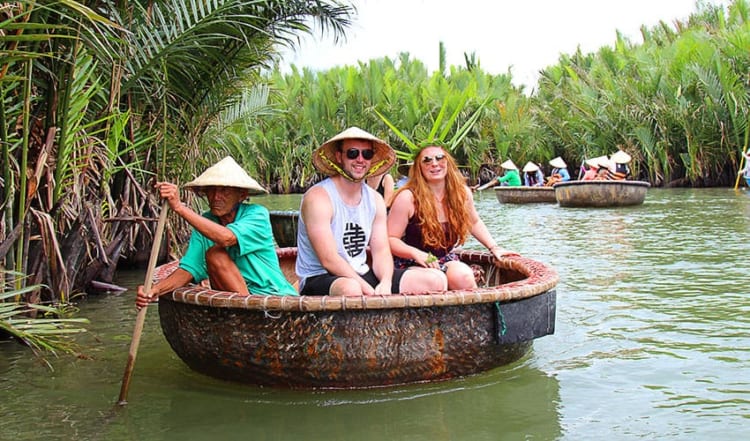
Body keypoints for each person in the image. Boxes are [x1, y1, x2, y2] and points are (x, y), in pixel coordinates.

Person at [296, 127, 445, 296]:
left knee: (435, 280)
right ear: (339, 157)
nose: (360, 159)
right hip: (321, 277)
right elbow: (328, 259)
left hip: (361, 273)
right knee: (351, 289)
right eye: (352, 153)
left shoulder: (374, 199)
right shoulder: (318, 198)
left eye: (366, 154)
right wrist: (368, 290)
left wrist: (386, 282)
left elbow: (381, 251)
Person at [135, 156, 297, 309]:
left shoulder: (257, 215)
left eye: (224, 191)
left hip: (273, 297)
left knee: (215, 254)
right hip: (237, 300)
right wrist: (154, 290)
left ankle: (248, 314)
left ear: (242, 195)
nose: (215, 197)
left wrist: (179, 208)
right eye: (211, 191)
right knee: (214, 255)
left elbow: (226, 238)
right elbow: (190, 268)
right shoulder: (207, 222)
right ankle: (243, 313)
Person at [388, 145, 519, 291]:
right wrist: (416, 253)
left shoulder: (461, 194)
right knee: (436, 280)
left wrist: (494, 247)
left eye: (439, 158)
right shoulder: (407, 198)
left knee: (464, 276)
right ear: (419, 168)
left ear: (448, 162)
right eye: (427, 160)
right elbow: (390, 239)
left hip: (444, 258)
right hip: (410, 262)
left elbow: (474, 222)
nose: (434, 163)